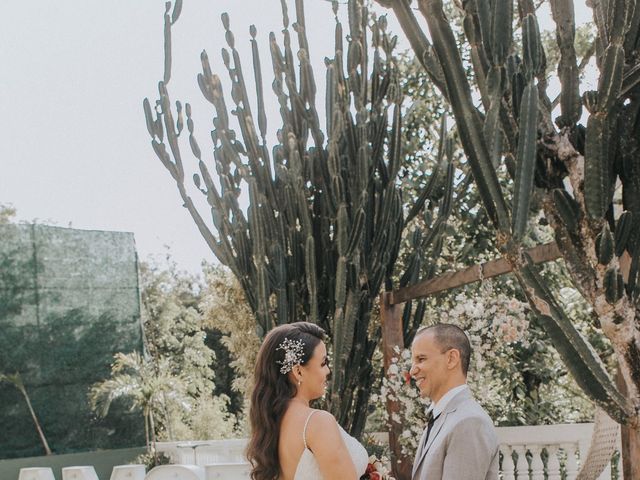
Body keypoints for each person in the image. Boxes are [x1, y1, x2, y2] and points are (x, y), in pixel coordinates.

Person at [246, 321, 369, 480]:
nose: (328, 371)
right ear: (298, 371)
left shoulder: (271, 425)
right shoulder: (317, 422)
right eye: (323, 363)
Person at [410, 323, 499, 480]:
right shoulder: (441, 417)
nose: (412, 370)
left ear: (451, 359)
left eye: (421, 359)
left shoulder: (469, 422)